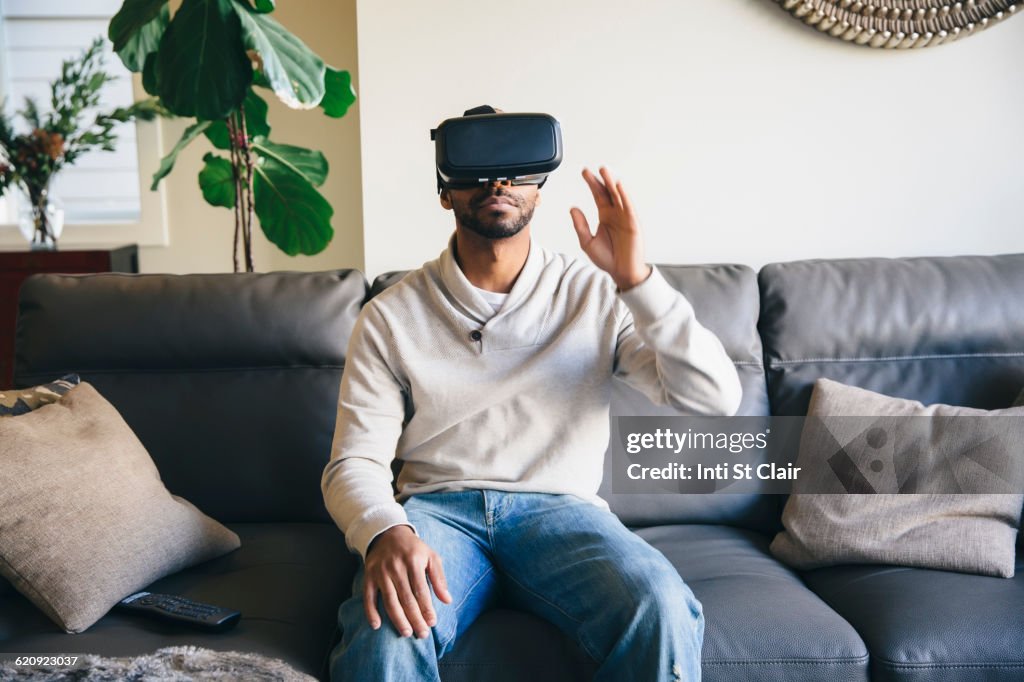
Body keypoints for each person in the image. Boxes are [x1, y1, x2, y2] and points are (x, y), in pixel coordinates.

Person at [322, 106, 743, 682]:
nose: (498, 183)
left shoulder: (594, 294)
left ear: (540, 188)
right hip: (440, 513)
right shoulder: (391, 316)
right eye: (476, 168)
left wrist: (636, 280)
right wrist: (384, 531)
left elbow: (715, 398)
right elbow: (354, 460)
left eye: (517, 169)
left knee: (663, 608)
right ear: (446, 191)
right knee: (385, 632)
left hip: (561, 512)